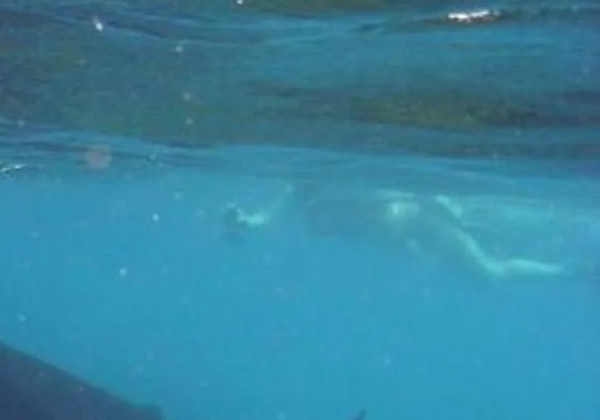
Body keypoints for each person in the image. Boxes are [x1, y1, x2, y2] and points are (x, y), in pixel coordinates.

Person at [223, 183, 596, 283]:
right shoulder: (303, 186)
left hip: (422, 219)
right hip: (394, 236)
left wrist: (450, 216)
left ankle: (566, 270)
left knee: (490, 276)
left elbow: (419, 193)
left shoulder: (358, 178)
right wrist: (244, 222)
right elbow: (266, 218)